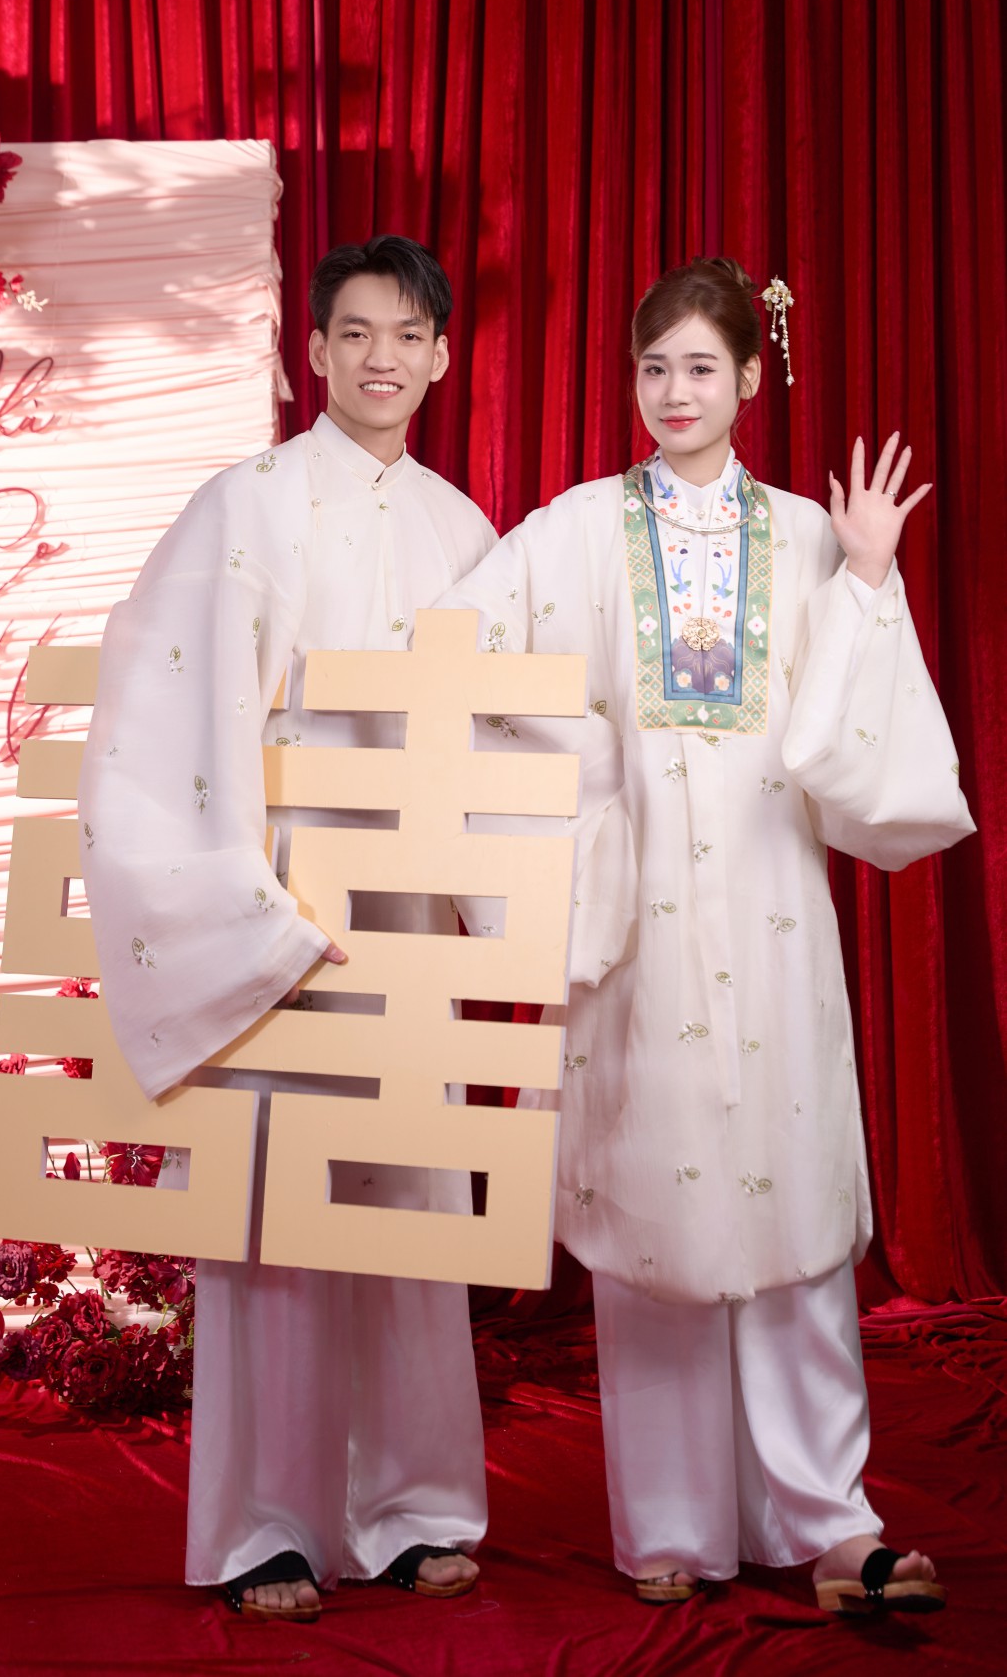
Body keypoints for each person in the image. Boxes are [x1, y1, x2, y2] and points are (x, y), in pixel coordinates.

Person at [439, 256, 973, 1614]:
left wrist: (867, 578)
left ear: (748, 379)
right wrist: (586, 780)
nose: (673, 392)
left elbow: (856, 743)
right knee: (656, 1202)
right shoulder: (575, 529)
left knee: (791, 1203)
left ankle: (831, 1520)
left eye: (699, 367)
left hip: (776, 903)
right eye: (652, 367)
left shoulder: (804, 536)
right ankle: (668, 1523)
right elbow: (462, 647)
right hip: (642, 919)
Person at [78, 235, 493, 1621]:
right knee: (271, 1214)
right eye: (356, 332)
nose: (383, 357)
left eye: (409, 335)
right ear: (311, 350)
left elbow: (513, 734)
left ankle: (414, 1508)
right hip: (279, 895)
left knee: (409, 1203)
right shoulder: (240, 505)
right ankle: (269, 1523)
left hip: (412, 904)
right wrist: (251, 901)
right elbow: (166, 714)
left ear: (442, 356)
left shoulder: (464, 530)